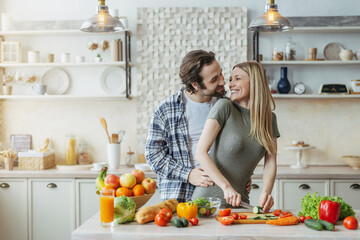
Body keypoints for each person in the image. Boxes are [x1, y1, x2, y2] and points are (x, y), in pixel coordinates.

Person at [145, 50, 251, 203]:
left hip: (222, 195)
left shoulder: (229, 106)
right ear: (195, 84)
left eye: (221, 74)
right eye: (214, 79)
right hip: (179, 198)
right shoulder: (167, 109)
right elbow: (153, 155)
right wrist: (187, 174)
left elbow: (239, 145)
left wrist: (244, 173)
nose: (223, 82)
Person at [193, 61, 280, 212]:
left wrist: (266, 192)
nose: (230, 84)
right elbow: (200, 153)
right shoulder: (224, 107)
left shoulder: (269, 119)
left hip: (240, 203)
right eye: (231, 79)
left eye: (237, 79)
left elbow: (271, 162)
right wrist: (226, 187)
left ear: (255, 82)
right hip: (208, 202)